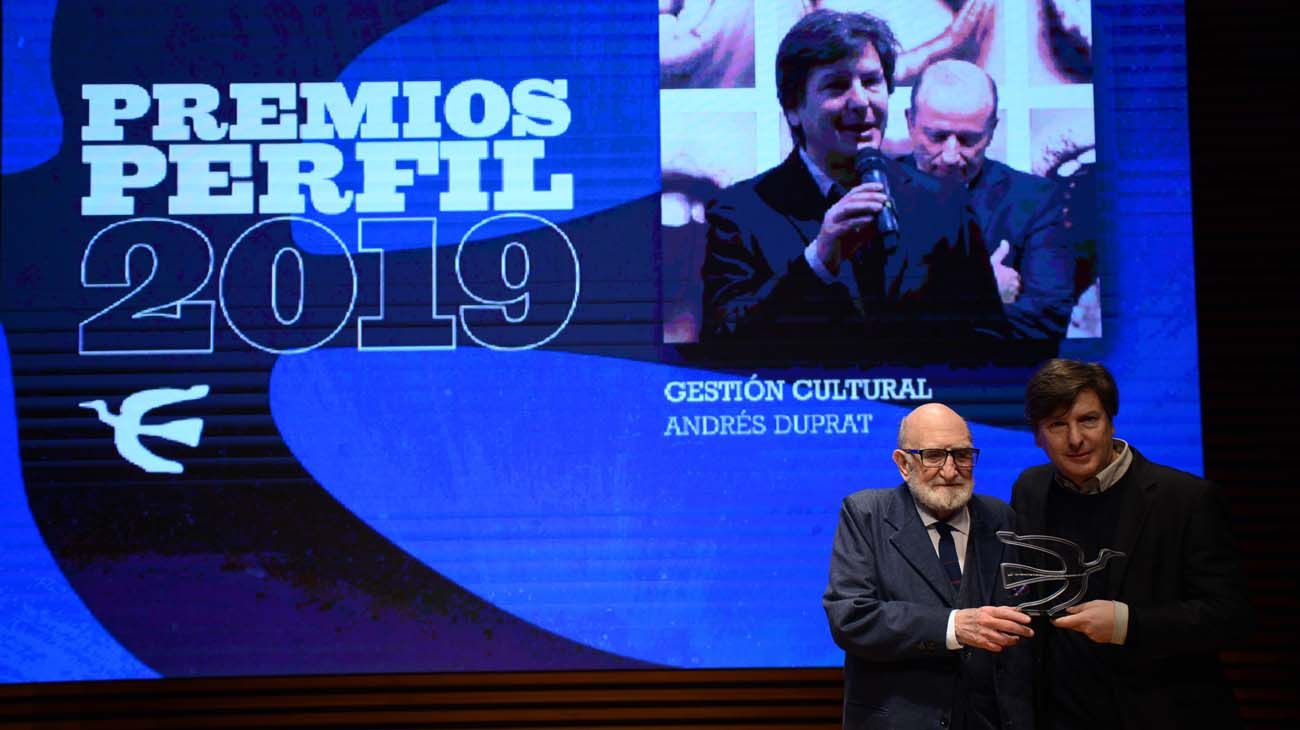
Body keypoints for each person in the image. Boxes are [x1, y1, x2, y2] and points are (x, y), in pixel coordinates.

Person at [699, 9, 1005, 363]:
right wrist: (818, 261)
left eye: (872, 81)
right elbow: (721, 350)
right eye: (837, 85)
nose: (861, 101)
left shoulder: (944, 202)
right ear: (794, 108)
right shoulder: (741, 212)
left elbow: (989, 346)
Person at [1010, 359, 1253, 729]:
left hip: (1163, 713)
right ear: (1037, 435)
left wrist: (1128, 623)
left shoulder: (1186, 498)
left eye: (1088, 420)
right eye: (1057, 425)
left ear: (1110, 421)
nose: (1075, 439)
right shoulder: (1030, 489)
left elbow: (1231, 616)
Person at [824, 402, 1033, 730]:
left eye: (962, 455)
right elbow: (851, 617)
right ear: (903, 464)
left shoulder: (999, 518)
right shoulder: (866, 515)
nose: (950, 471)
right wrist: (952, 626)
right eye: (933, 455)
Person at [903, 59, 1078, 340]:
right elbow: (862, 323)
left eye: (968, 139)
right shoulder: (873, 190)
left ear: (992, 129)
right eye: (936, 136)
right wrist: (978, 290)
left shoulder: (1036, 200)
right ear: (910, 122)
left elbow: (1047, 322)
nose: (950, 155)